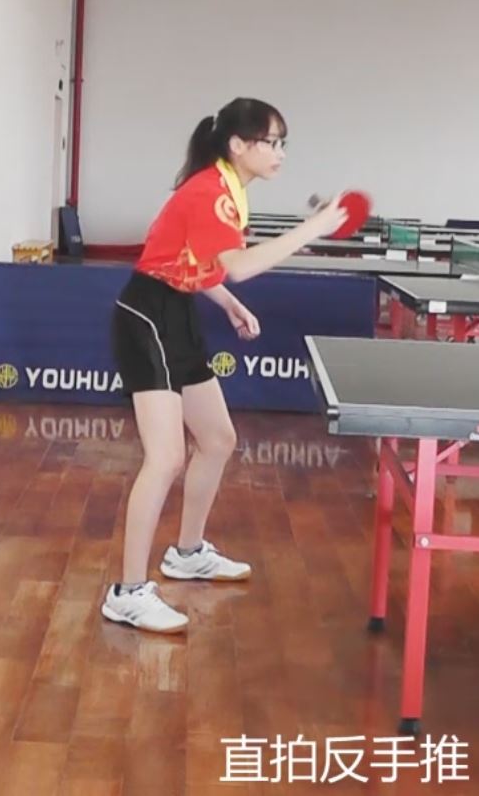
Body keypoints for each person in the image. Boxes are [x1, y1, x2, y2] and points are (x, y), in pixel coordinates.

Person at [101, 97, 359, 633]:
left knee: (218, 439)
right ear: (239, 145)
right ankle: (127, 592)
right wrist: (312, 229)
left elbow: (194, 261)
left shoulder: (229, 188)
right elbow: (238, 265)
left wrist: (227, 303)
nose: (280, 152)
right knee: (165, 457)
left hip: (178, 311)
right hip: (146, 317)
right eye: (272, 142)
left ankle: (187, 553)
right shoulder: (211, 192)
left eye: (283, 143)